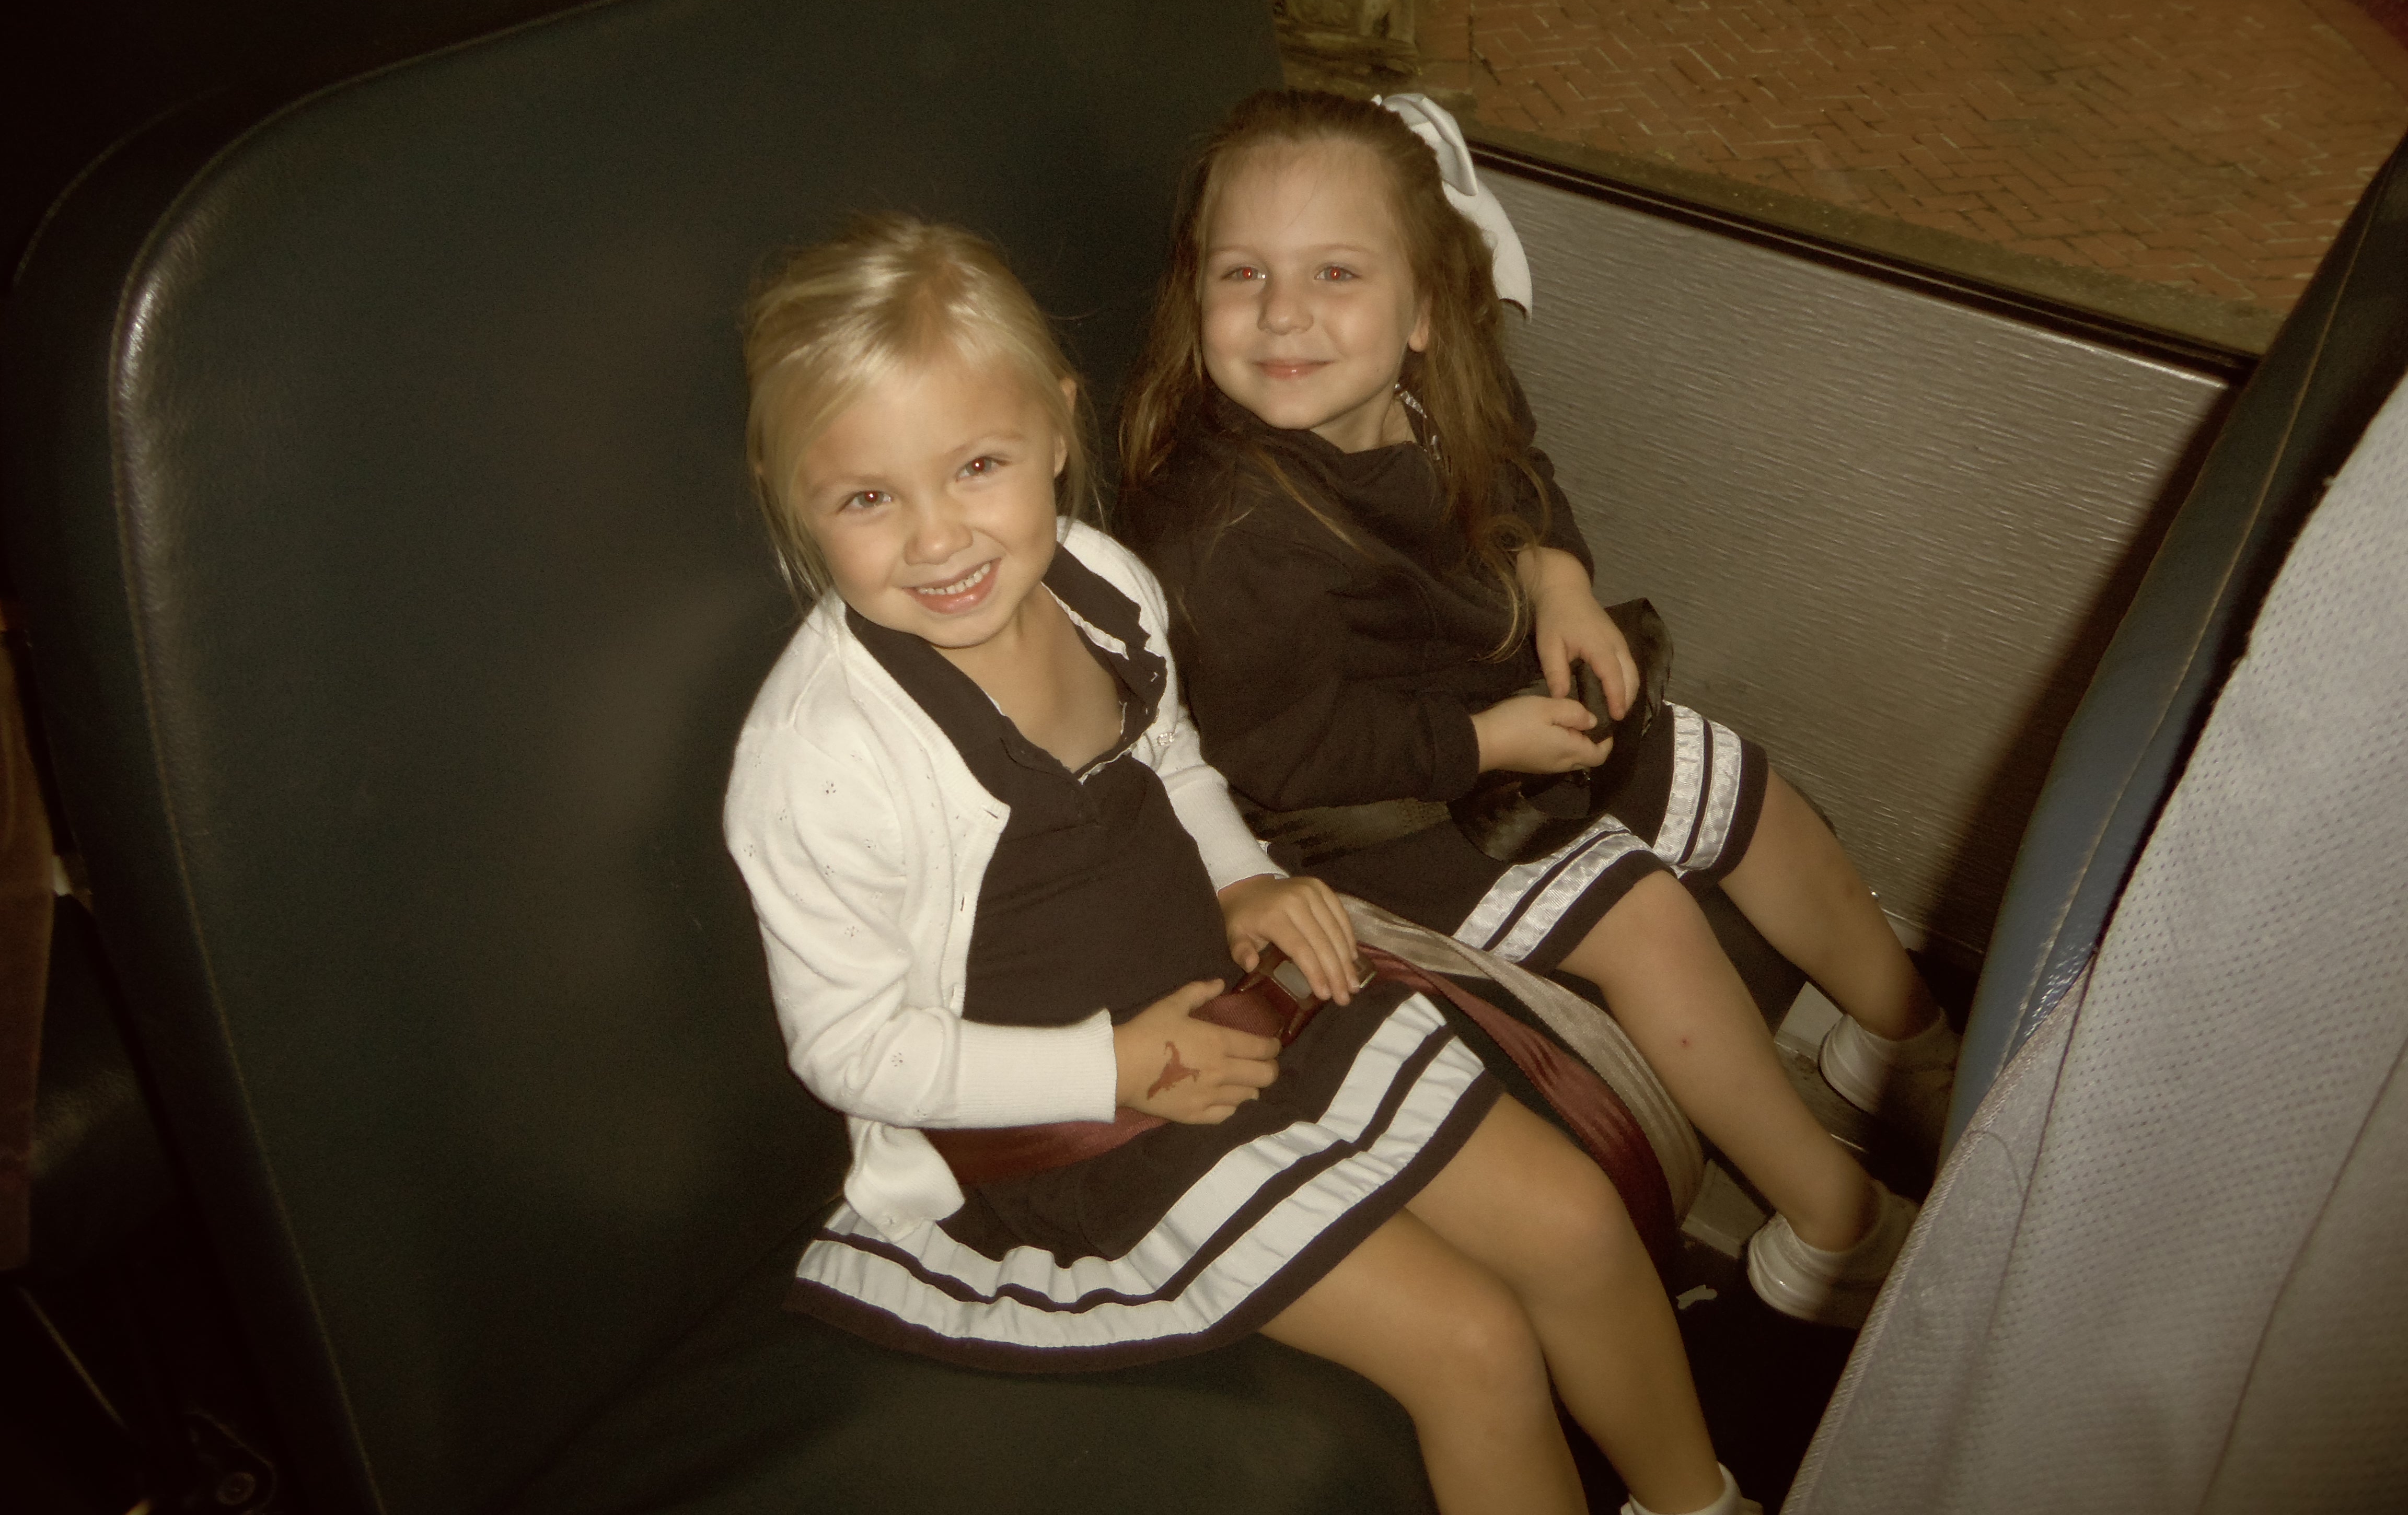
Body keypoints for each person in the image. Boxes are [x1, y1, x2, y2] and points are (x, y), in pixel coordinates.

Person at [724, 215, 1764, 1515]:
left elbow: (1172, 765)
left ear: (1058, 431)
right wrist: (1109, 1066)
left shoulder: (1102, 585)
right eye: (868, 499)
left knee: (1575, 1219)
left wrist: (1241, 878)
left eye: (978, 466)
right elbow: (850, 1050)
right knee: (1472, 1347)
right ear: (797, 499)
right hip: (1073, 1123)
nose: (938, 540)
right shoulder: (821, 757)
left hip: (1244, 998)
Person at [1117, 89, 1959, 1329]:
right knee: (1646, 921)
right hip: (1366, 822)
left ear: (1422, 315)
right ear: (1196, 303)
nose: (1283, 313)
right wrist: (1481, 744)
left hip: (1494, 708)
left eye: (1335, 273)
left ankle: (1903, 1042)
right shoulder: (1225, 529)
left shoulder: (1436, 396)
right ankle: (1829, 1226)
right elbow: (1283, 749)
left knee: (1743, 784)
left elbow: (1516, 478)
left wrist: (1557, 577)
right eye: (1244, 274)